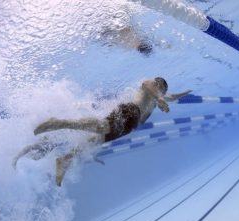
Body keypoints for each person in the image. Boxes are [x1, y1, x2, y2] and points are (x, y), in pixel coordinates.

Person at [14, 78, 191, 186]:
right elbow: (150, 88)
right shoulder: (150, 85)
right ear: (158, 83)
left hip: (129, 126)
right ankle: (58, 123)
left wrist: (185, 93)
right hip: (130, 111)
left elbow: (172, 97)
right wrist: (159, 98)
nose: (161, 90)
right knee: (100, 127)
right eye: (160, 87)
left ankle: (64, 159)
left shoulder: (158, 98)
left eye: (163, 90)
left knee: (94, 141)